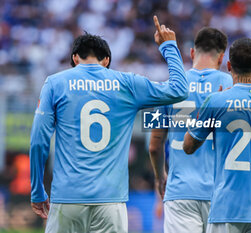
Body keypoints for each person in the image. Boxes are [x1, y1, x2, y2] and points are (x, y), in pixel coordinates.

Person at [30, 16, 188, 233]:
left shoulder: (55, 83)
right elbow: (179, 90)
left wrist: (37, 190)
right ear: (106, 61)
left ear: (75, 58)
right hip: (111, 202)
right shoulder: (127, 83)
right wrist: (169, 46)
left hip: (67, 199)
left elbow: (39, 141)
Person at [183, 38, 251, 233]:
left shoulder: (216, 101)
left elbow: (188, 146)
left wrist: (204, 109)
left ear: (228, 65)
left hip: (226, 208)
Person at [149, 27, 232, 233]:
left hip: (180, 192)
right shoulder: (231, 86)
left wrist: (160, 177)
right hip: (222, 193)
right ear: (221, 58)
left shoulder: (169, 85)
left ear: (192, 53)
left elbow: (154, 145)